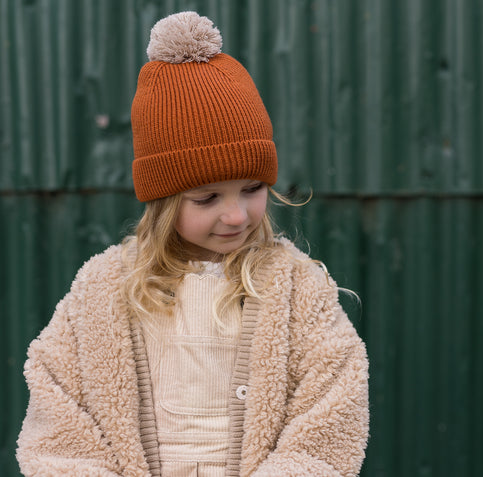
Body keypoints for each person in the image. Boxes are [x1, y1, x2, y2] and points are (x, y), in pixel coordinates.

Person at [16, 11, 369, 477]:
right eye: (206, 198)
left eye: (252, 188)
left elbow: (329, 424)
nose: (237, 215)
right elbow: (57, 425)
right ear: (162, 201)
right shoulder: (102, 292)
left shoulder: (298, 290)